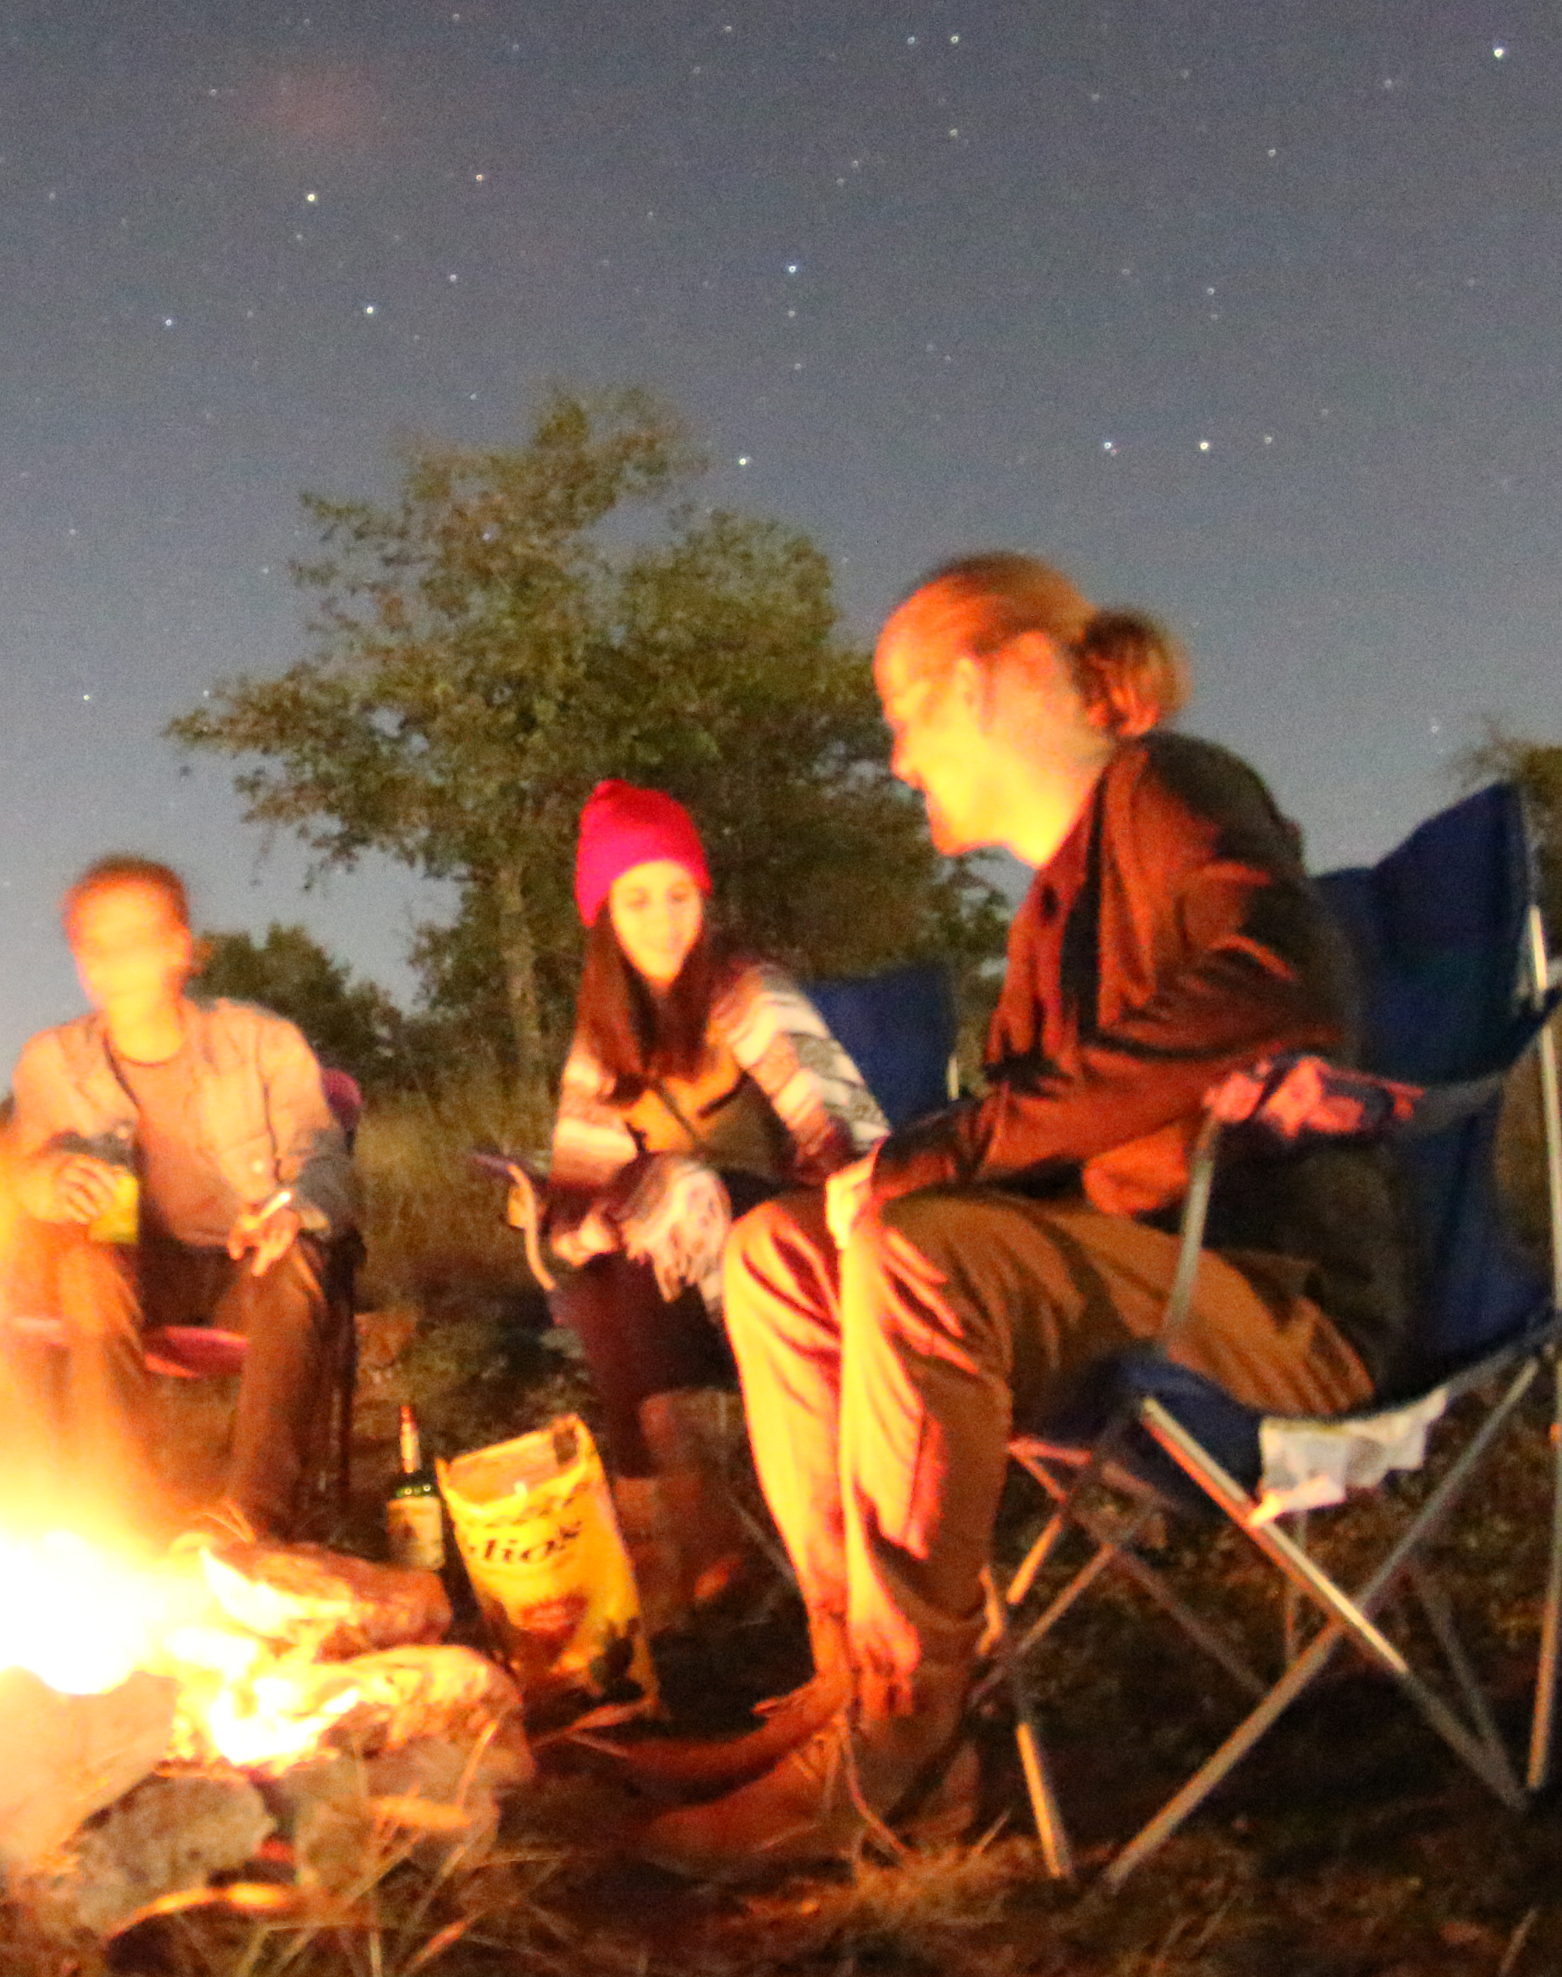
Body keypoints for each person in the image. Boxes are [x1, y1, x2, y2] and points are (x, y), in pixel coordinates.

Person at [642, 552, 1400, 1877]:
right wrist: (892, 1179)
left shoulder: (1171, 786)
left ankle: (905, 1751)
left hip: (1277, 1306)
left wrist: (950, 1156)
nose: (895, 758)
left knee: (918, 1245)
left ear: (982, 682)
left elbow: (1283, 978)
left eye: (902, 713)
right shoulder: (1054, 911)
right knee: (778, 1251)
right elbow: (1050, 1152)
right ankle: (853, 1674)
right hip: (1126, 1287)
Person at [519, 780, 885, 1621]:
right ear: (605, 913)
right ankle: (684, 1541)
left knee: (674, 1189)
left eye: (678, 893)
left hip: (787, 1228)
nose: (662, 918)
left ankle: (710, 1541)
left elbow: (847, 1134)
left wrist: (658, 1193)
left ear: (703, 897)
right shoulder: (605, 1031)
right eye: (637, 898)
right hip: (673, 1258)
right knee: (608, 1276)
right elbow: (581, 1183)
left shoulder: (745, 988)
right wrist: (582, 1225)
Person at [10, 856, 358, 1537]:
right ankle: (119, 1515)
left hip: (244, 1270)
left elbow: (326, 1164)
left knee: (297, 1259)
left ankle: (252, 1518)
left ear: (181, 949)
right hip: (138, 1276)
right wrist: (49, 1183)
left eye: (135, 939)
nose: (114, 962)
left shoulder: (261, 1042)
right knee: (83, 1263)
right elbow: (21, 1171)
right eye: (94, 945)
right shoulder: (51, 1062)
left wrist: (290, 1210)